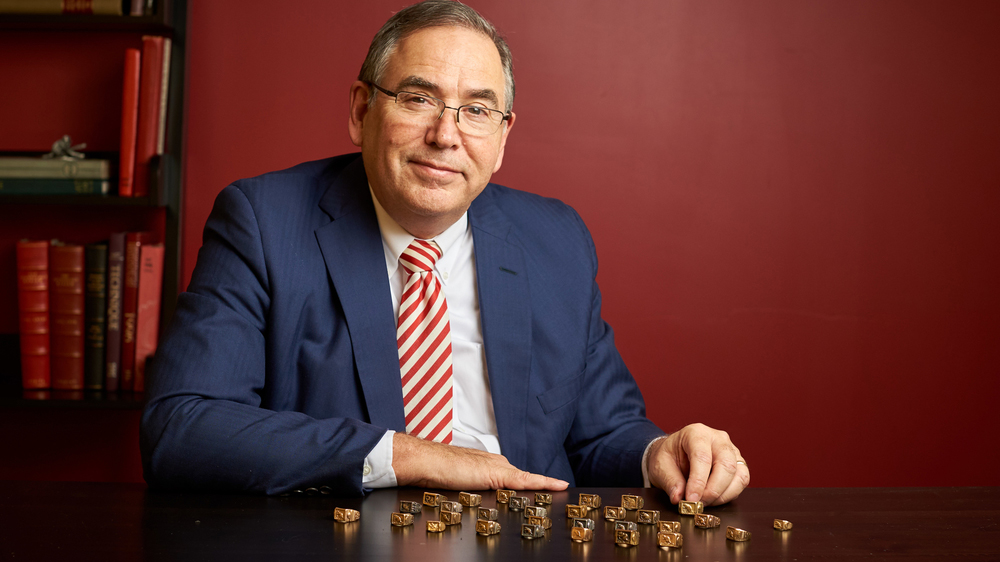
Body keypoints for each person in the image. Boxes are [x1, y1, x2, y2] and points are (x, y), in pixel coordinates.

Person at [140, 0, 750, 504]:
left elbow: (601, 432)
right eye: (418, 98)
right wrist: (410, 457)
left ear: (503, 135)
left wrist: (659, 452)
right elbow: (183, 427)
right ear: (361, 110)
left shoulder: (557, 239)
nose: (446, 135)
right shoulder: (265, 222)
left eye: (477, 110)